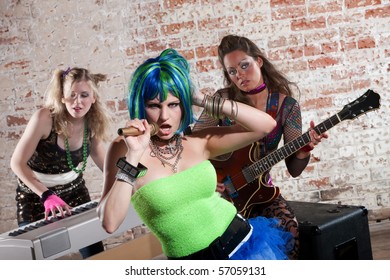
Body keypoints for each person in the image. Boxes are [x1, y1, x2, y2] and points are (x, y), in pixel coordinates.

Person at [98, 48, 294, 260]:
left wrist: (202, 99)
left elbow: (266, 125)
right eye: (154, 106)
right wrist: (134, 156)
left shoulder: (196, 141)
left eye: (173, 104)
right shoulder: (124, 148)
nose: (165, 116)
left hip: (243, 246)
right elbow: (109, 222)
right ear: (140, 106)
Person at [192, 34, 328, 259]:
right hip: (223, 192)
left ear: (259, 61)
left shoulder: (287, 107)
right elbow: (193, 141)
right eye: (232, 71)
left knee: (290, 228)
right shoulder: (223, 100)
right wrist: (205, 179)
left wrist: (304, 150)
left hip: (261, 191)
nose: (240, 75)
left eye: (244, 65)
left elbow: (294, 169)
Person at [10, 67, 112, 259]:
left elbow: (107, 165)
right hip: (35, 195)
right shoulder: (44, 118)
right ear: (62, 97)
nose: (78, 102)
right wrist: (46, 195)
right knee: (33, 258)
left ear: (93, 98)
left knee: (94, 253)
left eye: (84, 95)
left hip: (74, 191)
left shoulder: (93, 124)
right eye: (71, 95)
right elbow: (17, 163)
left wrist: (130, 179)